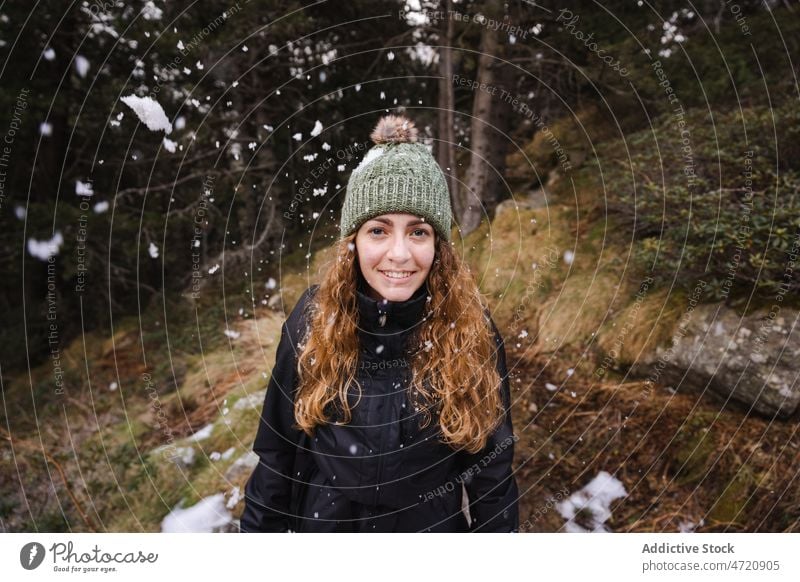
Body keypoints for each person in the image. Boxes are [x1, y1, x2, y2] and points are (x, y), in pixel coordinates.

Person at [240, 114, 519, 532]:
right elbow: (277, 456)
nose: (399, 254)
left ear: (439, 245)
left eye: (419, 232)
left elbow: (491, 475)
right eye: (378, 230)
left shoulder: (471, 328)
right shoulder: (313, 320)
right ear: (353, 241)